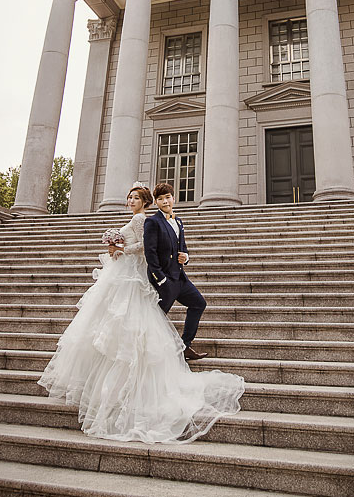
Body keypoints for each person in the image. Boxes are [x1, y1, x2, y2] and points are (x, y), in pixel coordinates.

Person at [37, 184, 244, 443]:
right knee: (139, 324)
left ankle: (178, 350)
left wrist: (124, 249)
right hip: (139, 277)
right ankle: (172, 353)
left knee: (147, 322)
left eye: (135, 197)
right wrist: (119, 250)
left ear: (147, 201)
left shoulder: (143, 219)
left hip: (154, 277)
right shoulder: (145, 219)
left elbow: (146, 249)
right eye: (129, 197)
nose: (130, 200)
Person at [144, 182, 207, 361]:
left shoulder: (178, 220)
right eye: (161, 199)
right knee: (154, 318)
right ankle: (145, 351)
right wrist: (160, 279)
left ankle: (185, 346)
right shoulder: (152, 222)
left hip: (180, 278)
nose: (165, 201)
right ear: (156, 202)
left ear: (174, 198)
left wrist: (185, 257)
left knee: (198, 303)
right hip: (165, 281)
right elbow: (150, 252)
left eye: (168, 197)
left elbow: (183, 247)